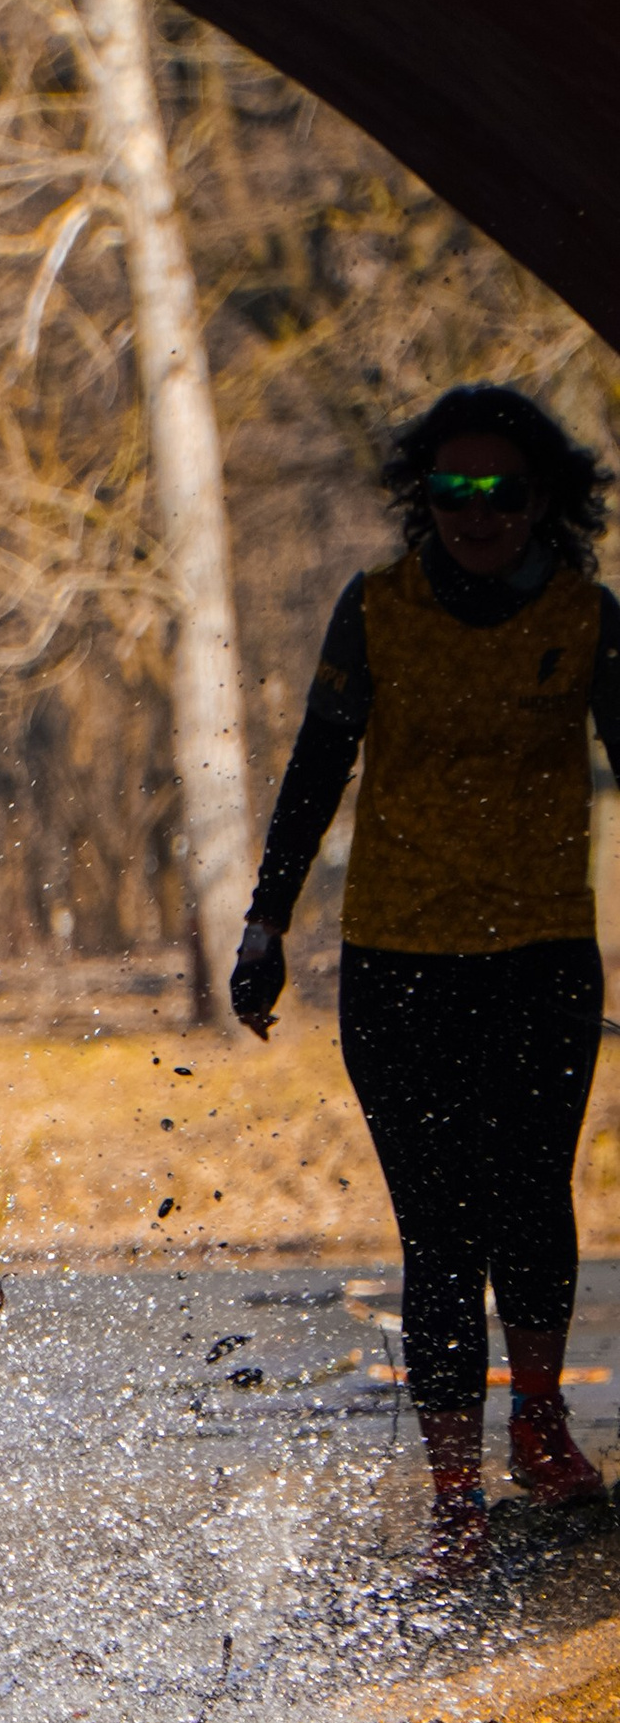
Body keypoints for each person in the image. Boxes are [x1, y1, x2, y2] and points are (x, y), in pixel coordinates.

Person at [232, 385, 620, 1572]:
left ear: (542, 500)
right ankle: (454, 1487)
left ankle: (539, 1423)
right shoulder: (376, 612)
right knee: (438, 1230)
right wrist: (265, 923)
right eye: (451, 491)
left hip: (542, 957)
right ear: (421, 499)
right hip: (400, 964)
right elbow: (314, 769)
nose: (476, 513)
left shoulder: (585, 616)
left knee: (530, 1201)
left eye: (500, 491)